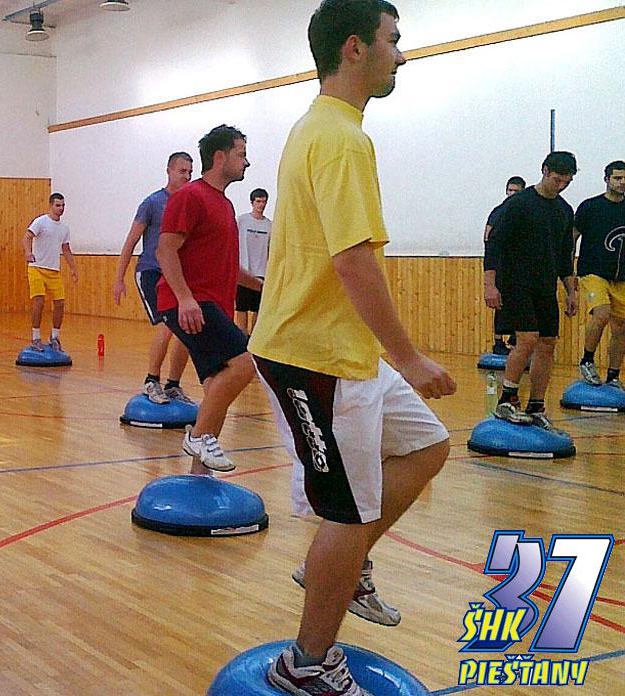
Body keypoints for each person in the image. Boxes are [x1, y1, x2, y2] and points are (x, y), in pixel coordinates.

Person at [247, 3, 456, 693]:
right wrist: (411, 359)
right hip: (313, 359)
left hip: (343, 353)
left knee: (427, 445)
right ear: (355, 48)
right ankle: (305, 664)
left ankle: (343, 563)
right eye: (394, 40)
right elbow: (353, 261)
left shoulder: (328, 128)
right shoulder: (338, 138)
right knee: (345, 510)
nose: (403, 54)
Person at [155, 124, 262, 474]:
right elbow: (165, 250)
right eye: (241, 154)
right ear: (219, 157)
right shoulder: (191, 196)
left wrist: (264, 286)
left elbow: (227, 266)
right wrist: (185, 299)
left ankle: (199, 476)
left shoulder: (225, 205)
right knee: (245, 363)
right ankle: (198, 436)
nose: (247, 162)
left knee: (218, 385)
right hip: (190, 304)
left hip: (212, 306)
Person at [485, 152, 578, 429]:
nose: (561, 185)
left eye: (567, 181)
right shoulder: (518, 204)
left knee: (547, 343)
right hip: (515, 284)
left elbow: (565, 256)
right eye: (557, 179)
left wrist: (571, 291)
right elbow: (494, 244)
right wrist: (490, 285)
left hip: (545, 286)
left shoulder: (564, 210)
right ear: (545, 171)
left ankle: (536, 405)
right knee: (526, 340)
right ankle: (507, 400)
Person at [113, 153, 195, 403]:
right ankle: (151, 380)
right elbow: (131, 241)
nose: (187, 176)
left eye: (190, 172)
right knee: (167, 325)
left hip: (176, 273)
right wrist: (119, 279)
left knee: (187, 327)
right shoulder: (152, 203)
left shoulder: (190, 204)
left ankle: (173, 385)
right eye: (182, 171)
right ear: (169, 171)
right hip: (151, 271)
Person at [574, 160, 625, 388]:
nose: (622, 182)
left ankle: (613, 375)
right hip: (593, 272)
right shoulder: (590, 207)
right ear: (607, 179)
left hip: (621, 277)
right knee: (602, 314)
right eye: (617, 178)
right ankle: (587, 360)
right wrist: (567, 271)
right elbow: (572, 237)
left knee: (621, 327)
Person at [23, 193, 78, 351]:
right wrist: (28, 252)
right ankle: (35, 338)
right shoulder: (41, 222)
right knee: (39, 301)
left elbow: (66, 249)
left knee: (60, 303)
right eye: (57, 205)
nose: (61, 208)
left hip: (54, 271)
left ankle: (54, 337)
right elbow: (27, 237)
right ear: (51, 205)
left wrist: (73, 268)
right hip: (37, 268)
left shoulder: (64, 228)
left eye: (63, 205)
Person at [484, 176, 526, 355]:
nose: (512, 194)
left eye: (516, 191)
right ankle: (498, 342)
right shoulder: (498, 212)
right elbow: (488, 236)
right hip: (501, 265)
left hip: (521, 266)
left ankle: (516, 338)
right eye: (510, 190)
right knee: (500, 303)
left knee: (521, 302)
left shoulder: (526, 212)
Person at [235, 187, 272, 335]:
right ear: (252, 202)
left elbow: (271, 249)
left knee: (258, 309)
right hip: (243, 270)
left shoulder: (270, 225)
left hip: (261, 272)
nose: (261, 205)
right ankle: (242, 336)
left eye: (263, 202)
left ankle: (254, 336)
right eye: (258, 201)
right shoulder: (242, 221)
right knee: (241, 307)